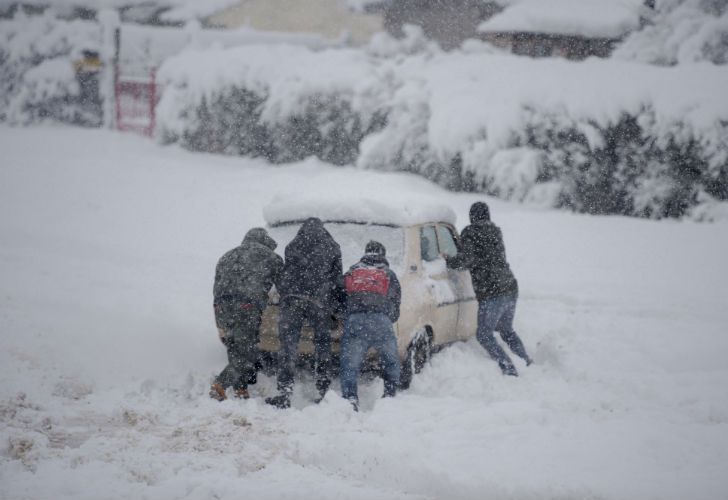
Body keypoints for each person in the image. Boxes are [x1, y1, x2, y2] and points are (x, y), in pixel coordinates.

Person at [446, 201, 532, 376]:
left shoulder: (471, 233)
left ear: (472, 216)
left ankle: (508, 368)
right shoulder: (495, 232)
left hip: (492, 292)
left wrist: (448, 260)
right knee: (507, 330)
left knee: (484, 335)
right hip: (510, 287)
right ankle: (527, 361)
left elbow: (466, 260)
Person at [266, 218, 343, 409]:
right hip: (318, 303)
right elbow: (337, 281)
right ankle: (323, 390)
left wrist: (286, 295)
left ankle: (284, 392)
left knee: (288, 347)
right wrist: (334, 306)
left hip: (292, 300)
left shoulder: (292, 245)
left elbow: (286, 274)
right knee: (323, 346)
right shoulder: (332, 246)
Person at [210, 227, 283, 401]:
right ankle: (220, 384)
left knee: (235, 347)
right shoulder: (270, 256)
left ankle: (241, 389)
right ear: (265, 240)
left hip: (221, 307)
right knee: (248, 352)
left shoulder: (226, 255)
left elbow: (216, 284)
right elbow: (283, 284)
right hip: (246, 307)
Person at [340, 241, 402, 411]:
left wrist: (349, 315)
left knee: (350, 365)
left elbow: (340, 296)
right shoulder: (388, 274)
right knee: (391, 362)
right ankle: (389, 396)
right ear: (383, 254)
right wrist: (386, 318)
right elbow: (396, 304)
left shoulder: (353, 270)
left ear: (366, 253)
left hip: (356, 321)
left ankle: (350, 399)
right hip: (381, 321)